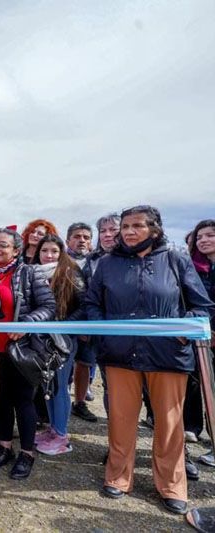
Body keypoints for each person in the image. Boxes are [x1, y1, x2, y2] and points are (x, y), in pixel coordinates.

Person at [85, 206, 213, 515]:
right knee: (121, 418)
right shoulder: (107, 264)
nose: (128, 232)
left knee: (169, 423)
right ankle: (117, 477)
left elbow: (201, 306)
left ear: (154, 229)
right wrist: (105, 335)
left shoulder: (176, 260)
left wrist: (182, 332)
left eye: (136, 226)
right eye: (125, 226)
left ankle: (171, 485)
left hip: (168, 355)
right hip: (119, 355)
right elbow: (91, 303)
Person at [0, 228, 56, 481]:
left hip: (21, 349)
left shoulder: (29, 273)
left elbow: (48, 307)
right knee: (0, 400)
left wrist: (25, 323)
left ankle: (27, 453)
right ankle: (4, 447)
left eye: (4, 245)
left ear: (16, 250)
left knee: (24, 401)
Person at [32, 234, 85, 456]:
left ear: (61, 252)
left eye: (54, 251)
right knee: (48, 385)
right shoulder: (32, 272)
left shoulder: (71, 273)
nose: (49, 255)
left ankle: (62, 435)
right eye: (44, 251)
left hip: (63, 340)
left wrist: (63, 326)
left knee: (60, 386)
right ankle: (53, 429)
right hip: (42, 339)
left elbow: (84, 306)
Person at [75, 214, 121, 422]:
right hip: (99, 329)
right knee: (110, 384)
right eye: (103, 231)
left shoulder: (145, 258)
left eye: (113, 230)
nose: (108, 235)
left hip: (134, 331)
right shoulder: (92, 261)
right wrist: (88, 324)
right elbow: (86, 295)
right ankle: (117, 441)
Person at [188, 219, 215, 466]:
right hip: (202, 338)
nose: (203, 241)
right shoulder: (194, 269)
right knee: (199, 385)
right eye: (200, 237)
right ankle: (195, 429)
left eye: (209, 235)